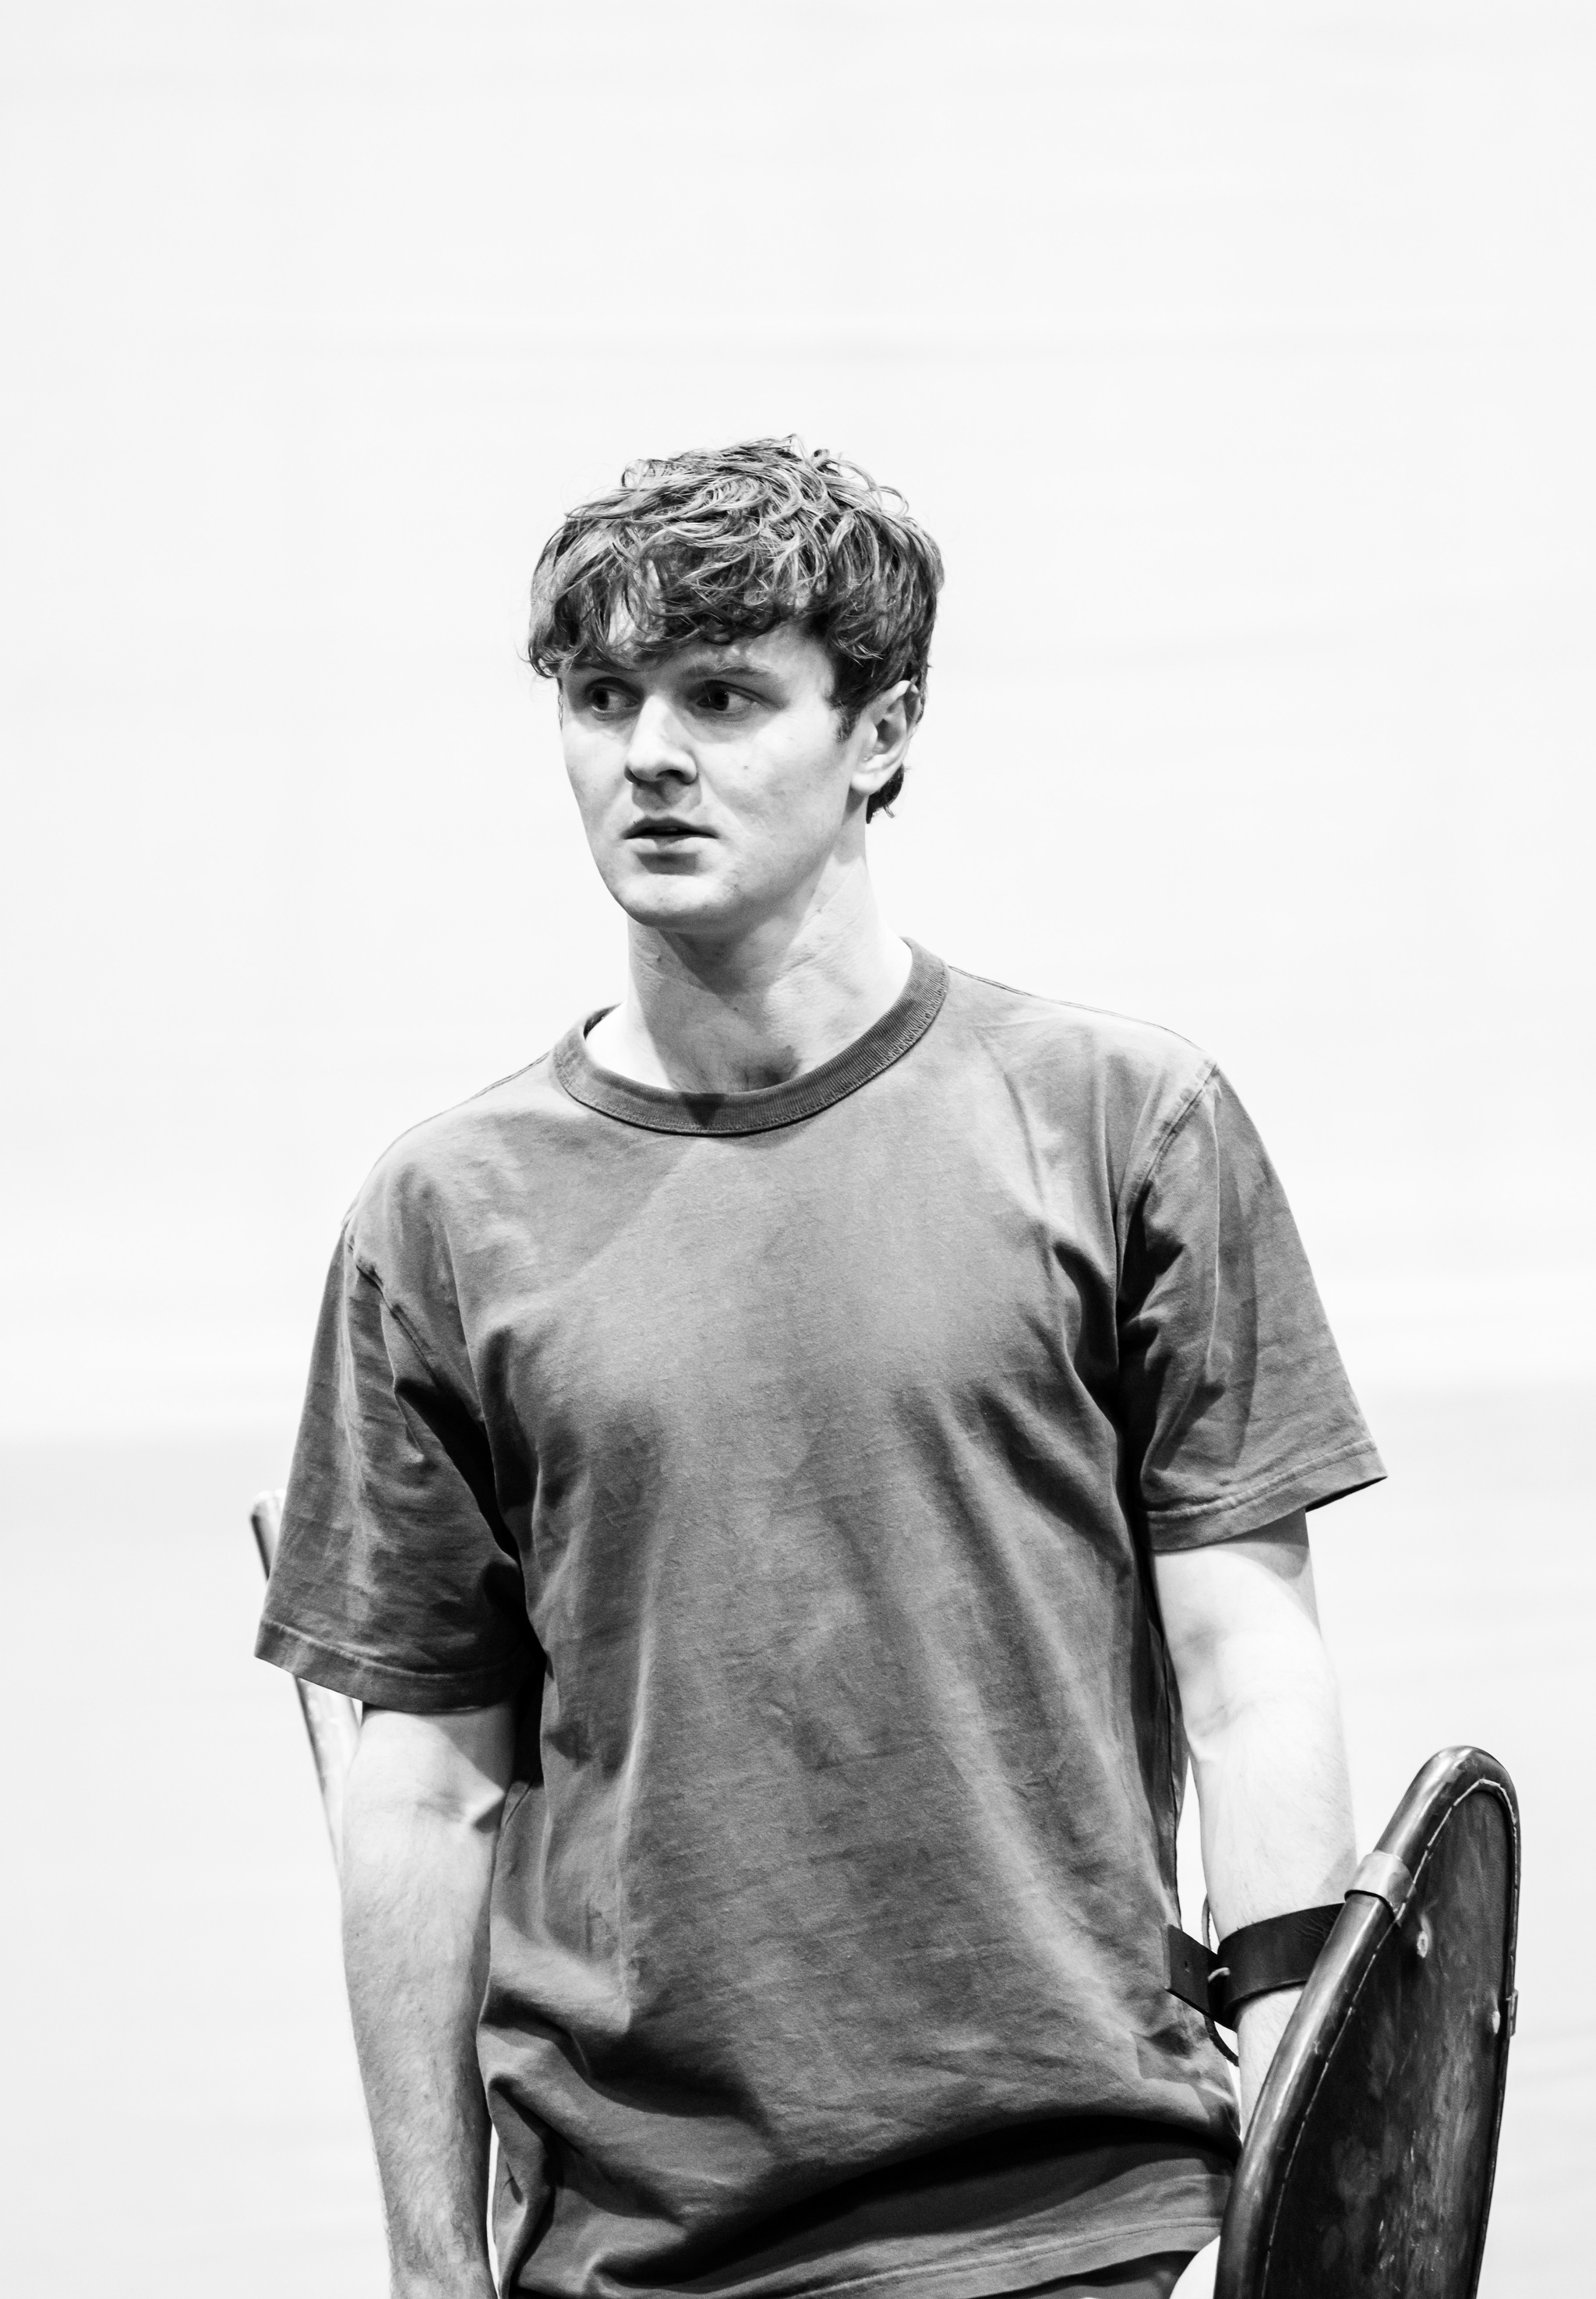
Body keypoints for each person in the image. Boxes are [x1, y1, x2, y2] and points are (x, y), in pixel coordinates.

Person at [257, 438, 1383, 2299]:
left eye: (723, 696)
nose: (648, 756)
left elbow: (1250, 1657)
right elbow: (419, 1783)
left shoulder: (1121, 1122)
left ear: (881, 730)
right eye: (600, 696)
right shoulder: (446, 1213)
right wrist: (428, 2266)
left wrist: (1293, 2113)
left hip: (1086, 2213)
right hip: (634, 2243)